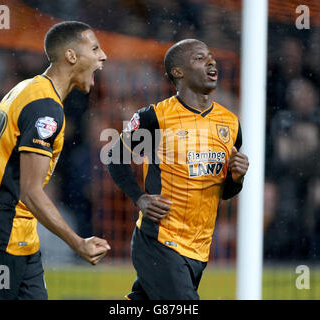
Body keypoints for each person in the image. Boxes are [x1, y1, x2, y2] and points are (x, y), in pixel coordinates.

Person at [0, 21, 110, 300]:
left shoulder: (27, 89)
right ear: (71, 56)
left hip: (21, 241)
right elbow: (31, 190)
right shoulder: (45, 108)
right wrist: (78, 243)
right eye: (95, 48)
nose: (103, 56)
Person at [106, 39, 249, 300]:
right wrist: (139, 198)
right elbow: (114, 157)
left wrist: (237, 177)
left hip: (199, 248)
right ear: (178, 72)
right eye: (199, 58)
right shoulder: (156, 118)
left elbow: (225, 192)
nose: (211, 61)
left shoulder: (231, 124)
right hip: (160, 240)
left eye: (211, 56)